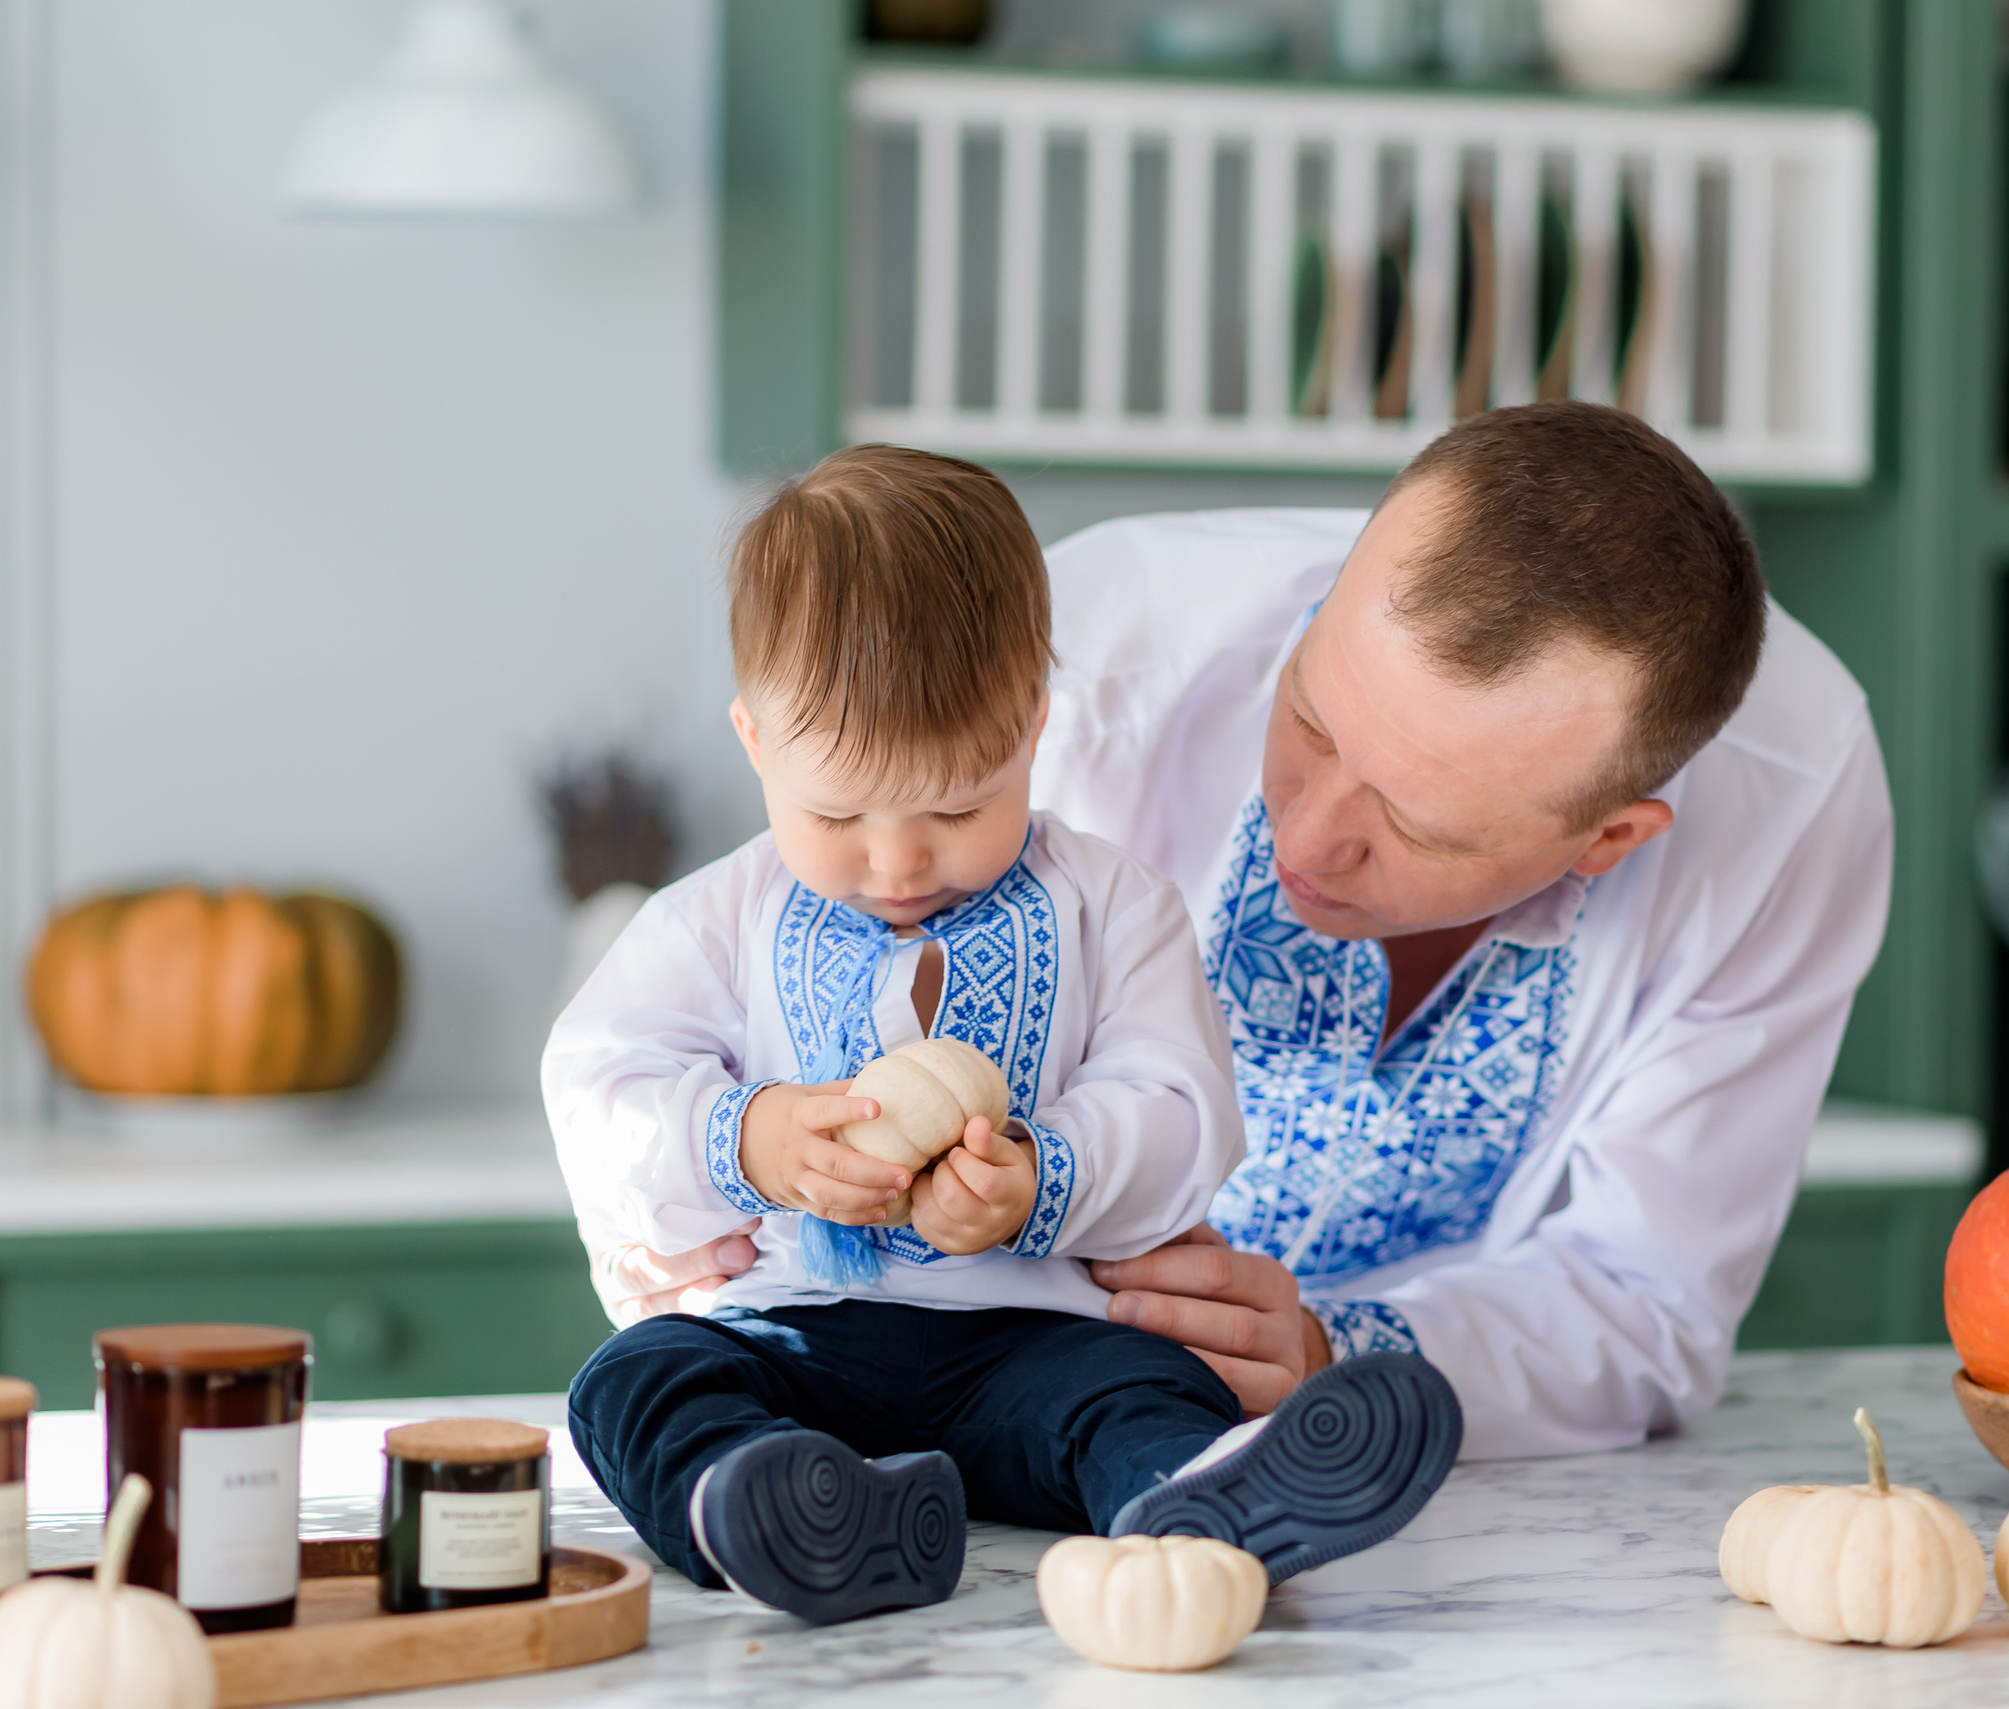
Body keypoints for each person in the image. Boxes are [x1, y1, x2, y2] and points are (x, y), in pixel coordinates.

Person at [589, 403, 1892, 1462]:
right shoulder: (1072, 658)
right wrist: (679, 1203)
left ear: (1611, 837)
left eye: (1419, 829)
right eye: (1312, 721)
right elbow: (712, 1004)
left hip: (1366, 1488)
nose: (1308, 837)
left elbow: (1646, 1299)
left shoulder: (1794, 804)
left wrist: (1345, 1358)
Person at [545, 446, 1463, 1625]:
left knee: (1146, 1386)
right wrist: (749, 1139)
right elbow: (599, 1079)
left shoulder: (1112, 906)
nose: (896, 859)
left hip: (1037, 1338)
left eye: (957, 803)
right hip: (795, 1332)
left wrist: (1043, 1177)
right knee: (639, 1381)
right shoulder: (713, 920)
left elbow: (1180, 1108)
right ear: (755, 741)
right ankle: (777, 1502)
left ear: (1034, 723)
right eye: (836, 811)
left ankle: (1194, 1502)